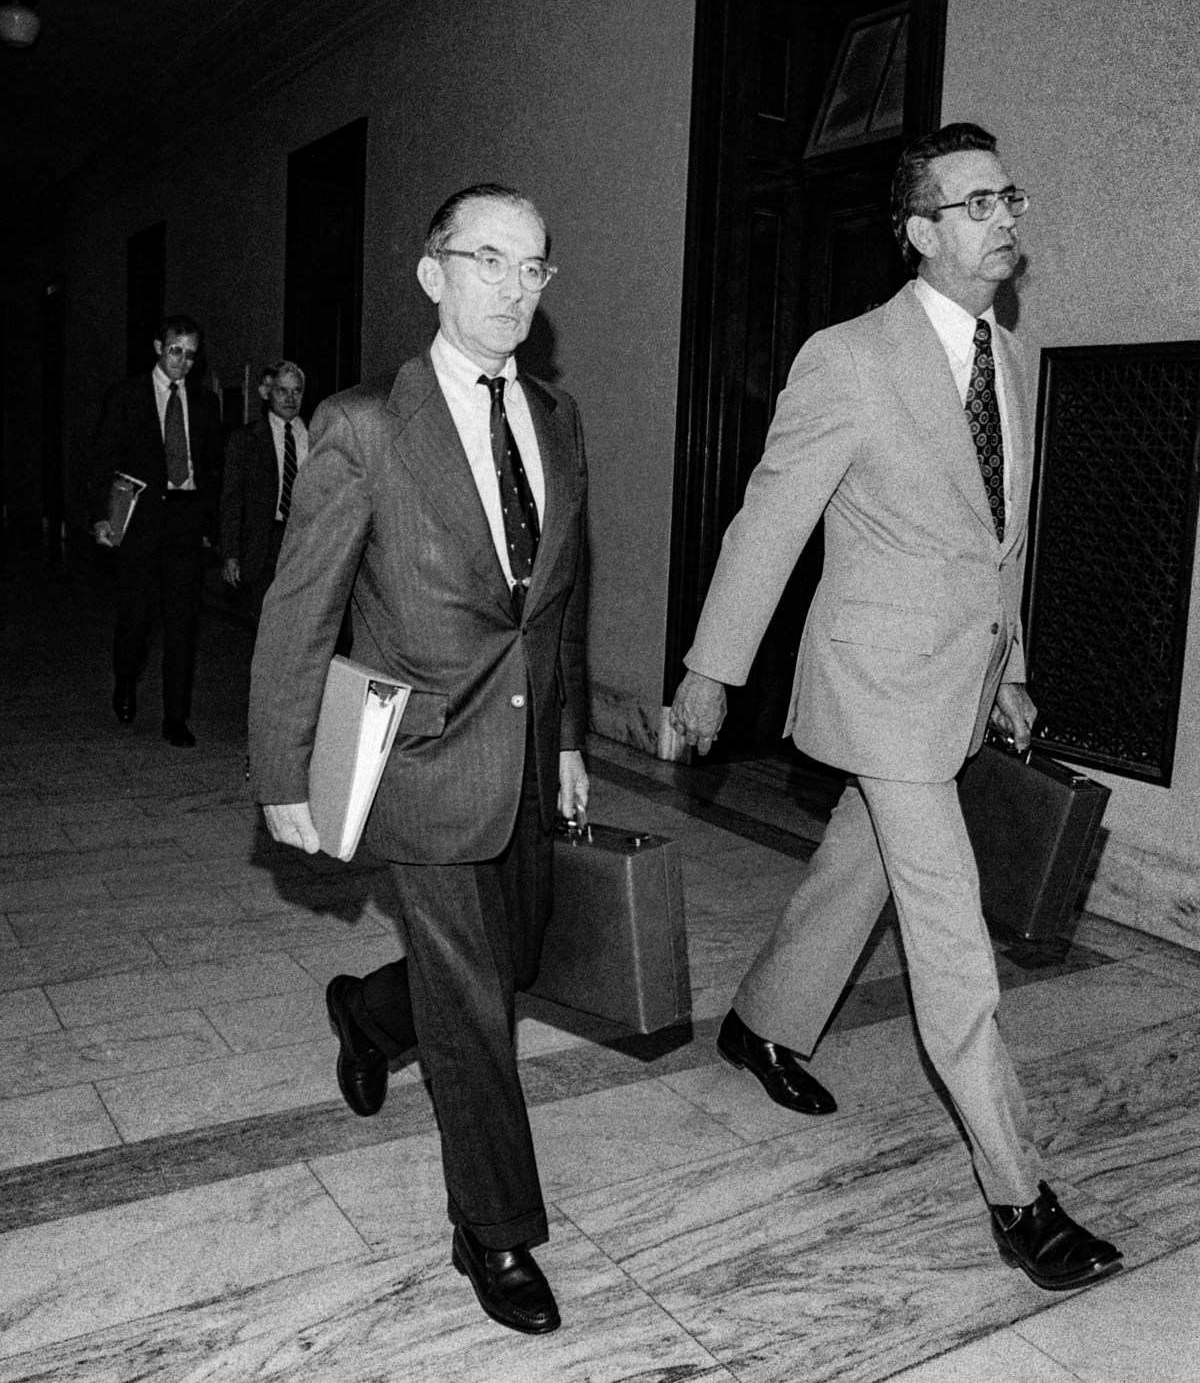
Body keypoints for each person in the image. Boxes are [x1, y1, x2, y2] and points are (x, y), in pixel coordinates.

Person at [669, 124, 1122, 1293]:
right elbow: (770, 519)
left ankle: (762, 1019)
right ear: (920, 233)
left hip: (956, 678)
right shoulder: (849, 358)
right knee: (953, 935)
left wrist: (1006, 661)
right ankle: (1019, 1193)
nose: (1004, 218)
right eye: (975, 204)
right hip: (877, 678)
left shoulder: (1008, 358)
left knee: (857, 861)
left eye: (1008, 196)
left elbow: (994, 542)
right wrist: (712, 668)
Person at [249, 184, 589, 1335]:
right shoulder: (367, 425)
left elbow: (554, 606)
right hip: (424, 758)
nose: (512, 286)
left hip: (529, 758)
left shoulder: (557, 419)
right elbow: (301, 612)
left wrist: (576, 739)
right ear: (431, 272)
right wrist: (284, 773)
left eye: (533, 267)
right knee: (478, 1014)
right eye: (487, 259)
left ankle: (368, 1014)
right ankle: (495, 1232)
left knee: (519, 958)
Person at [89, 314, 222, 748]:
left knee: (183, 627)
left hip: (184, 524)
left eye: (190, 355)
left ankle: (175, 717)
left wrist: (208, 524)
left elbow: (212, 468)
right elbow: (102, 460)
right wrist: (102, 516)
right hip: (141, 523)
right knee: (135, 619)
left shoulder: (203, 404)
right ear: (157, 348)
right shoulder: (126, 397)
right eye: (175, 352)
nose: (182, 362)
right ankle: (125, 681)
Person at [220, 360, 308, 621]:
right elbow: (231, 500)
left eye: (297, 391)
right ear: (268, 392)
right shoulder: (245, 440)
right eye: (282, 390)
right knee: (265, 627)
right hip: (263, 546)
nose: (290, 398)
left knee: (300, 627)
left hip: (305, 543)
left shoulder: (319, 436)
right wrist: (230, 553)